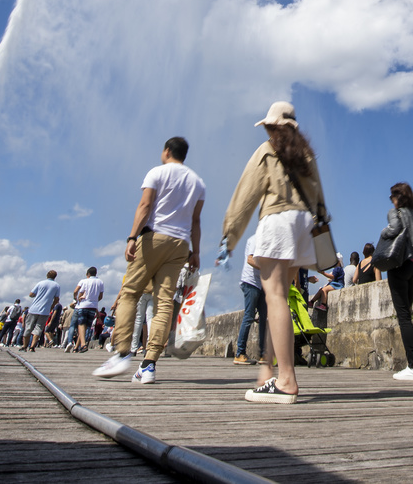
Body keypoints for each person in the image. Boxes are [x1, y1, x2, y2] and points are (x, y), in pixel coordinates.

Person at [221, 100, 331, 404]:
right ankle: (268, 369)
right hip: (304, 227)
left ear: (272, 127)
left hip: (278, 220)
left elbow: (246, 195)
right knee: (280, 301)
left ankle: (286, 380)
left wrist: (229, 236)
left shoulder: (267, 150)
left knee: (275, 299)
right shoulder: (307, 155)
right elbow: (319, 197)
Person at [95, 136, 205, 383]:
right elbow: (196, 221)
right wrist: (195, 251)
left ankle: (122, 353)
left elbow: (145, 206)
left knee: (130, 293)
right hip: (180, 245)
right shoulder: (198, 183)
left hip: (153, 237)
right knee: (164, 302)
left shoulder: (157, 173)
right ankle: (149, 364)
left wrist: (132, 237)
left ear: (167, 151)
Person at [383, 182, 413, 381]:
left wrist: (383, 232)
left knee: (403, 316)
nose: (391, 201)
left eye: (392, 197)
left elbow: (393, 230)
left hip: (400, 265)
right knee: (407, 315)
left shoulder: (396, 213)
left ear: (397, 198)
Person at [234, 230, 268, 366]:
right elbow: (250, 259)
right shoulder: (256, 239)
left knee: (264, 318)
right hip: (250, 283)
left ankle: (263, 354)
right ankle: (239, 353)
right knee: (249, 317)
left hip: (261, 284)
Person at [22, 270, 60, 352]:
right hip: (45, 310)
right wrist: (51, 306)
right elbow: (56, 299)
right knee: (38, 329)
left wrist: (38, 295)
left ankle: (24, 346)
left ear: (47, 275)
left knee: (28, 328)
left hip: (34, 309)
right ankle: (32, 346)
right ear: (55, 277)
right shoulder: (56, 286)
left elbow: (31, 294)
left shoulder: (40, 283)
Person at [71, 267, 104, 353]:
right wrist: (94, 301)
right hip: (93, 306)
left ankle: (83, 344)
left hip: (83, 305)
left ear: (88, 274)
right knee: (85, 327)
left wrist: (76, 298)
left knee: (81, 325)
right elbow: (100, 296)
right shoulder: (100, 282)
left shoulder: (84, 281)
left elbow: (76, 291)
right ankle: (76, 347)